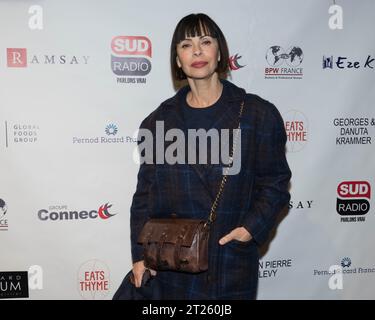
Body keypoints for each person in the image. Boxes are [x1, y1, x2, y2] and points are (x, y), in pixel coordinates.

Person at [129, 13, 291, 300]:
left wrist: (249, 230)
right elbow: (145, 195)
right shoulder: (156, 123)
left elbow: (275, 183)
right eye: (186, 45)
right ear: (177, 60)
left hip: (228, 261)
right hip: (172, 266)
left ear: (220, 53)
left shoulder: (257, 114)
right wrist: (141, 254)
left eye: (205, 41)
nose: (197, 51)